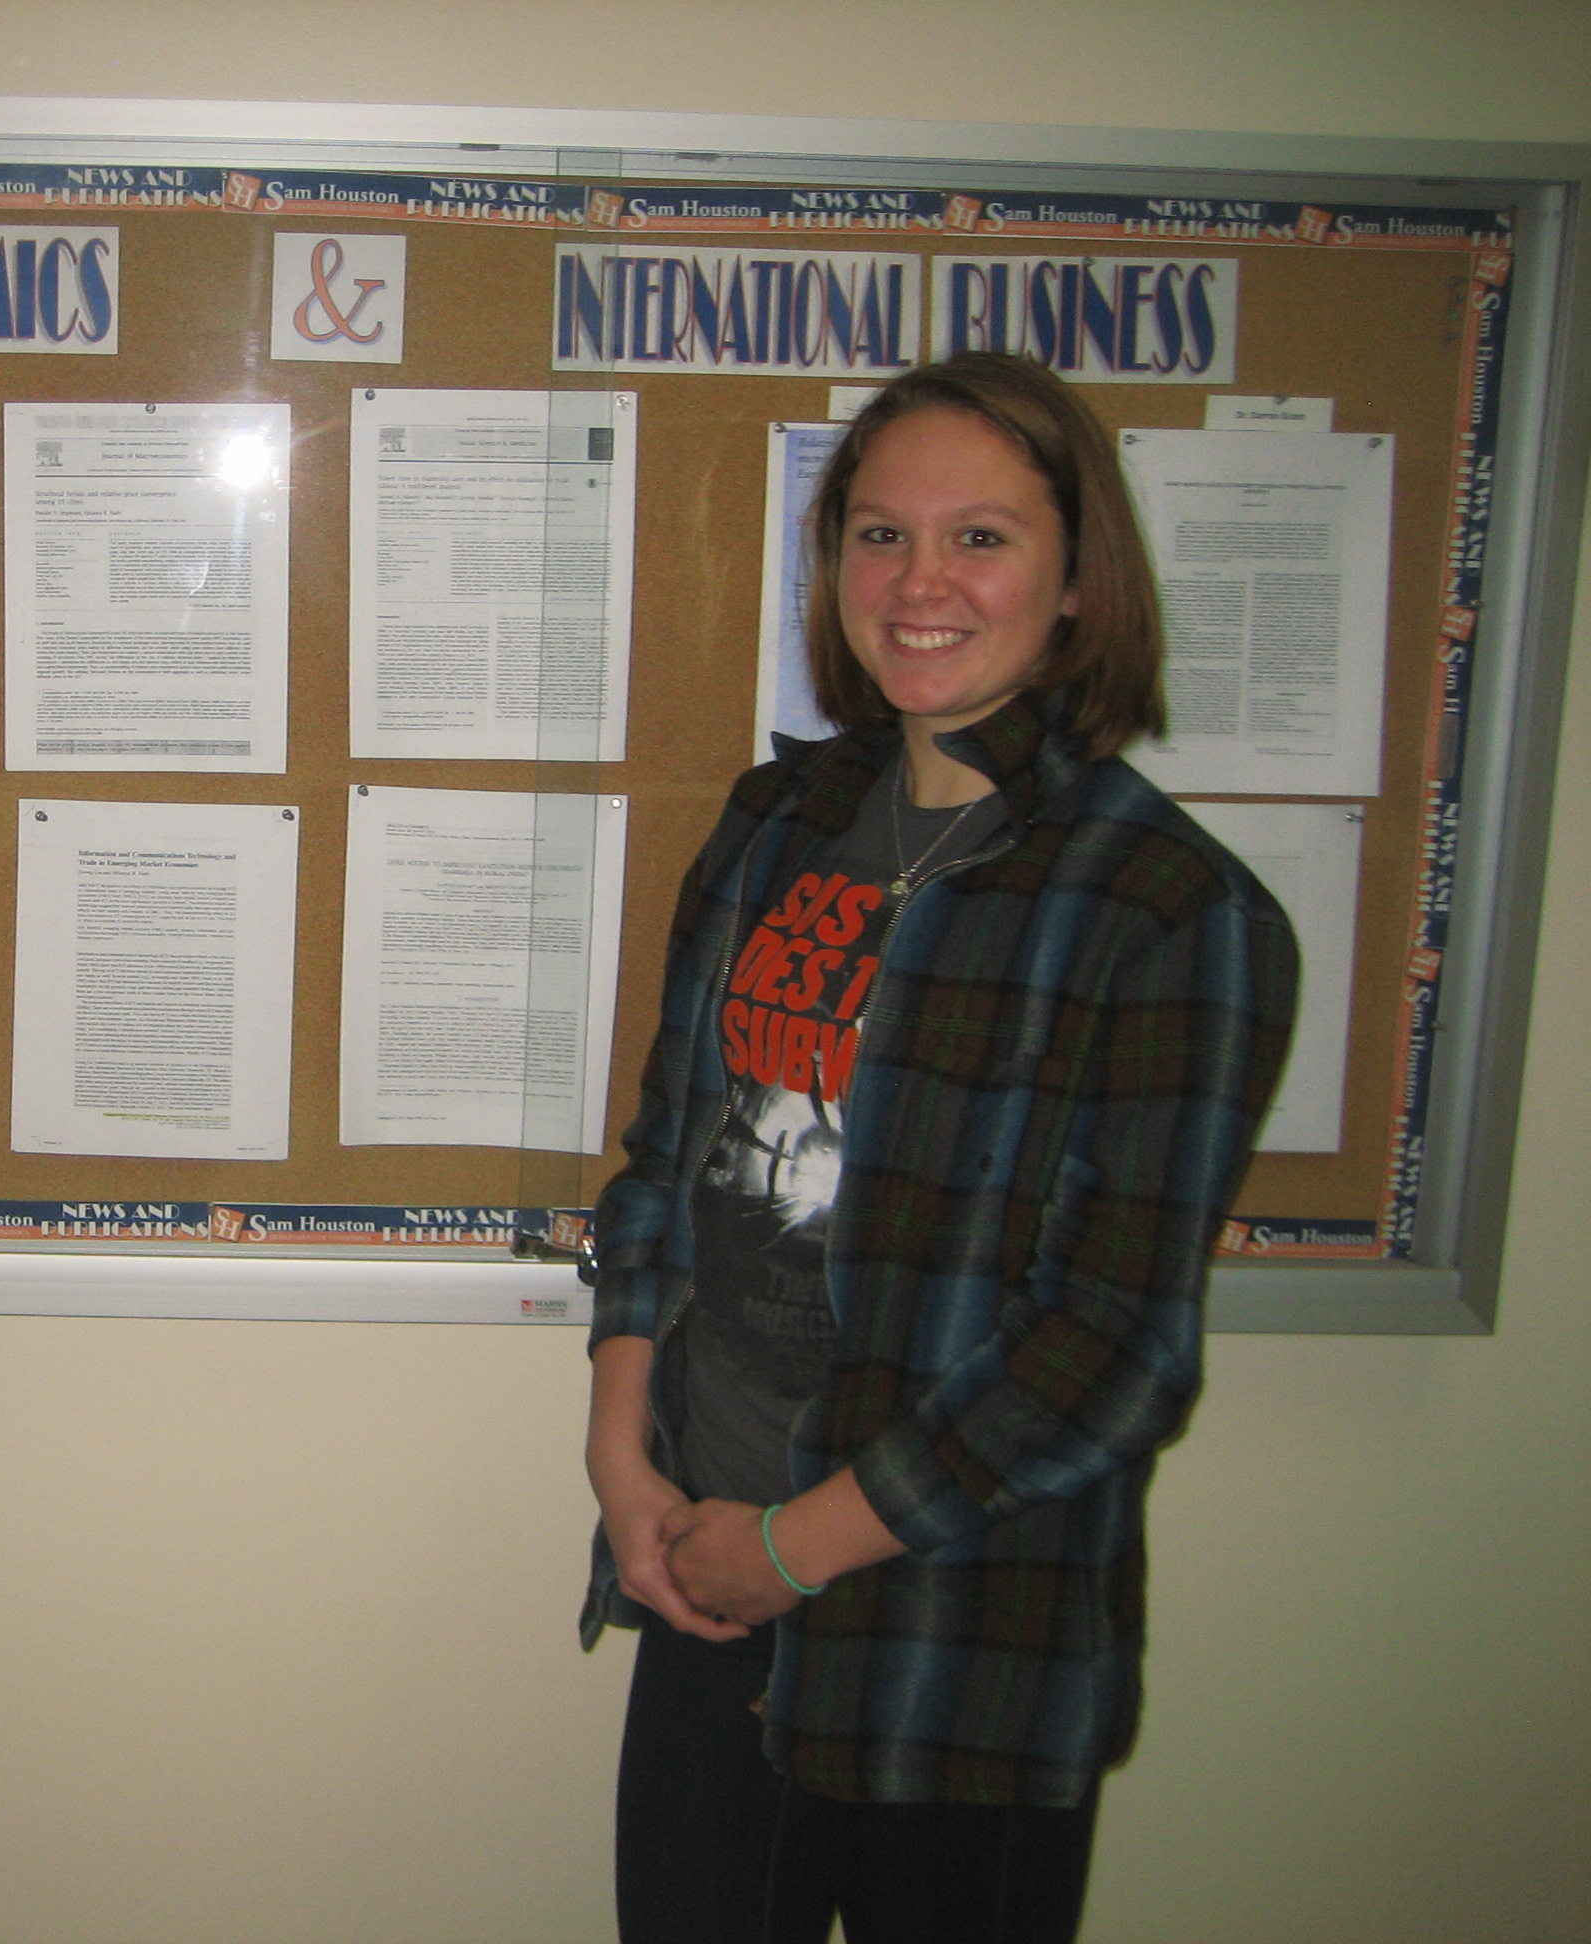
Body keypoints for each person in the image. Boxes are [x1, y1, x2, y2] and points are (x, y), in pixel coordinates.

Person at [582, 351, 1298, 1944]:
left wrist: (799, 1546)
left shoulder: (1169, 909)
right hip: (700, 1570)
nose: (921, 584)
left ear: (1075, 580)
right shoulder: (774, 827)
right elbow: (664, 1161)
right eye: (879, 535)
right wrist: (622, 1455)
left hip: (956, 1636)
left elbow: (1110, 1349)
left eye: (981, 538)